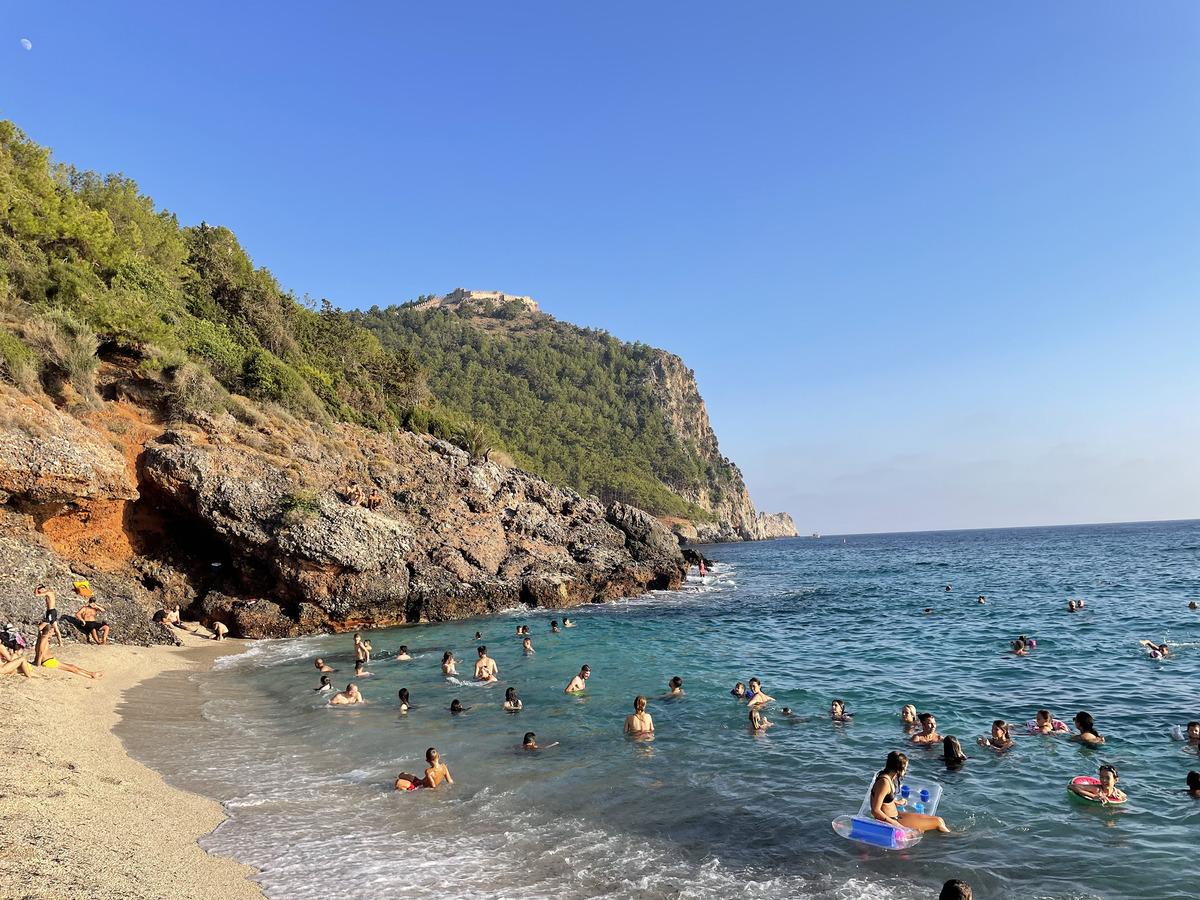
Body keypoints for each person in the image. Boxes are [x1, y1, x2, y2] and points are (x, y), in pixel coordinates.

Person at [870, 751, 950, 833]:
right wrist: (898, 826)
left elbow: (883, 798)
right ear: (899, 768)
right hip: (891, 820)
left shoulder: (889, 778)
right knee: (938, 822)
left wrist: (896, 802)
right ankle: (953, 841)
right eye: (905, 768)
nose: (906, 770)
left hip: (896, 815)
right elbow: (875, 810)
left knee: (940, 820)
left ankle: (952, 836)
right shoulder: (884, 782)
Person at [34, 624, 101, 678]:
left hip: (50, 661)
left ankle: (91, 674)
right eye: (52, 631)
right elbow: (41, 652)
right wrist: (38, 664)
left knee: (72, 666)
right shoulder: (44, 639)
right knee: (72, 668)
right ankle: (90, 675)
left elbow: (38, 650)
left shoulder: (41, 638)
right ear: (49, 632)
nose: (53, 633)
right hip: (48, 662)